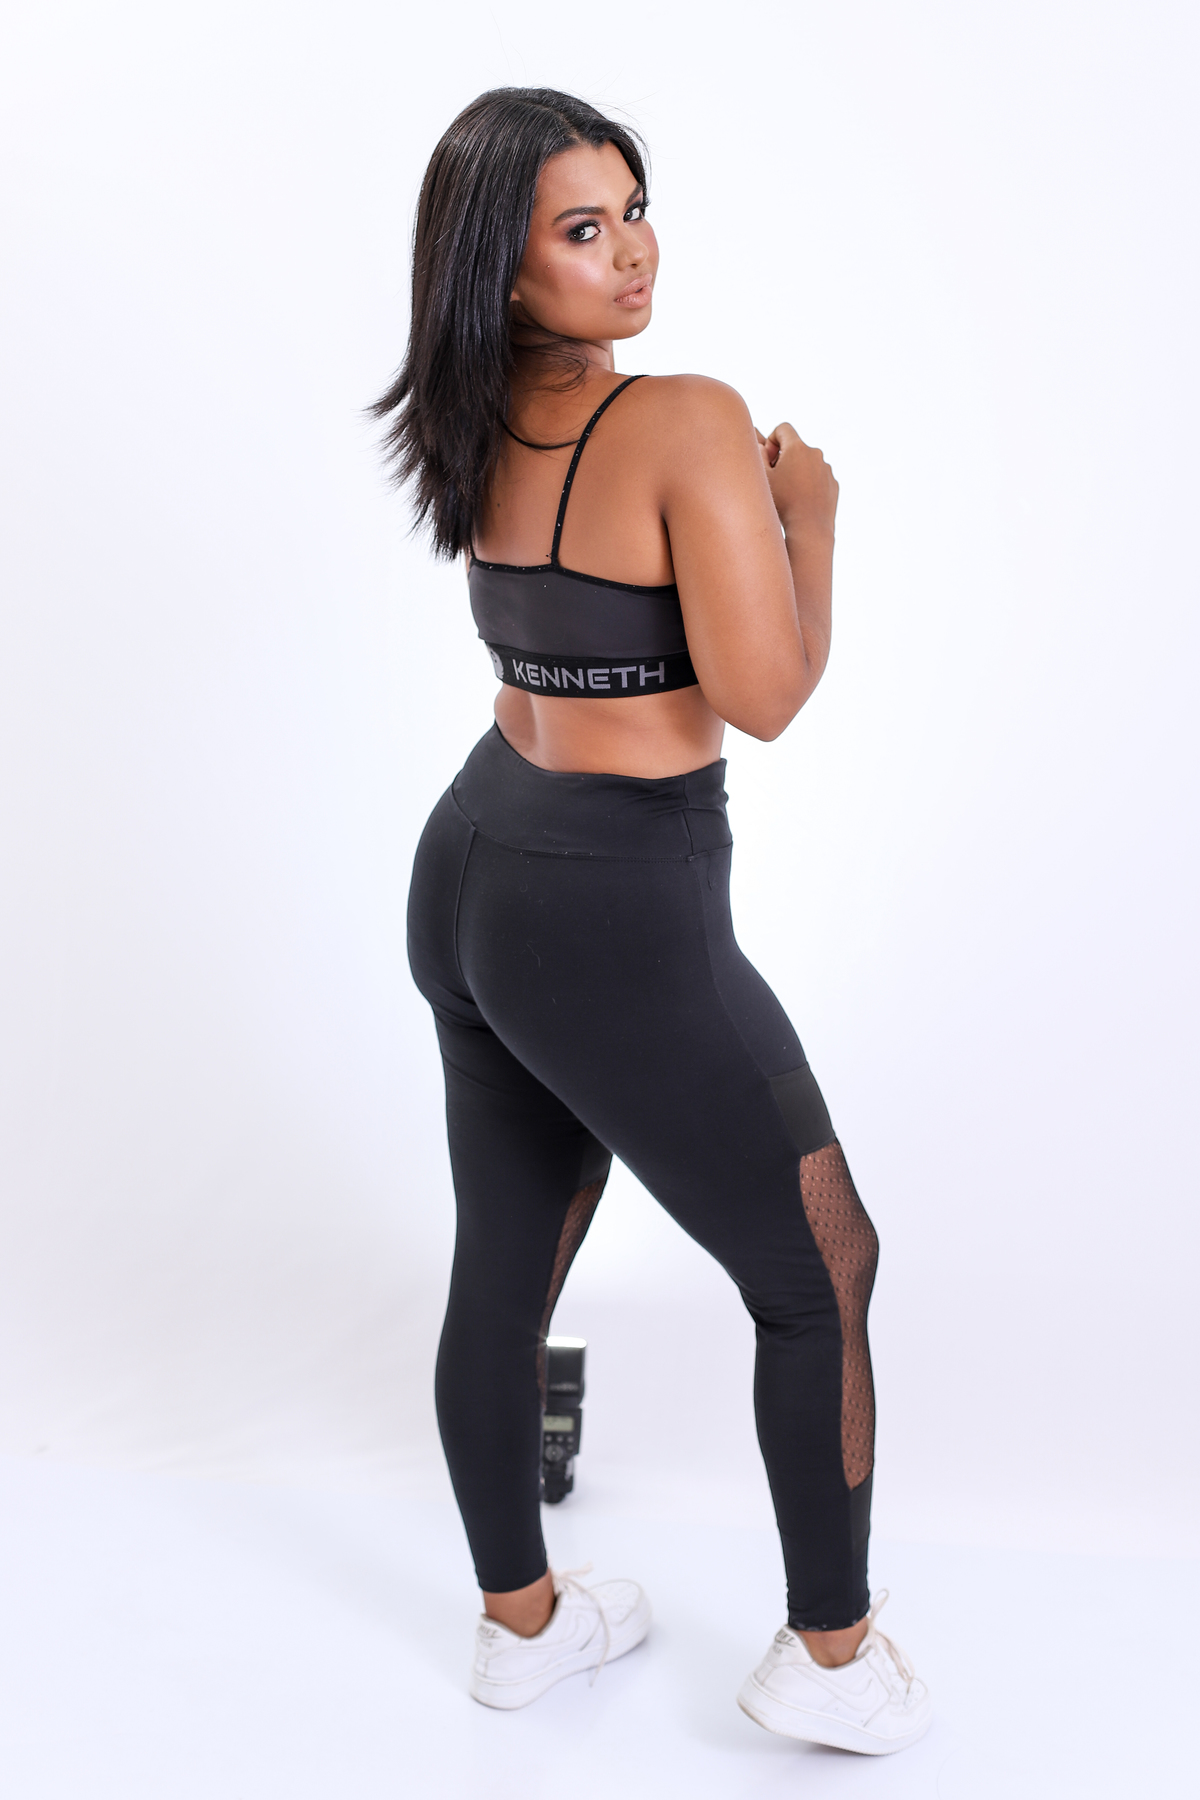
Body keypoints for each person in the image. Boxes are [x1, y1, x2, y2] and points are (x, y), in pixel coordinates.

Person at [374, 87, 931, 1754]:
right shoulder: (687, 421)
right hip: (613, 908)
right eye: (582, 227)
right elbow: (766, 694)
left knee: (503, 1269)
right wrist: (808, 519)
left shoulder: (469, 411)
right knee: (823, 1265)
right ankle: (833, 1660)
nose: (631, 252)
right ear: (504, 263)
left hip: (473, 866)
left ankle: (524, 1629)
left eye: (633, 209)